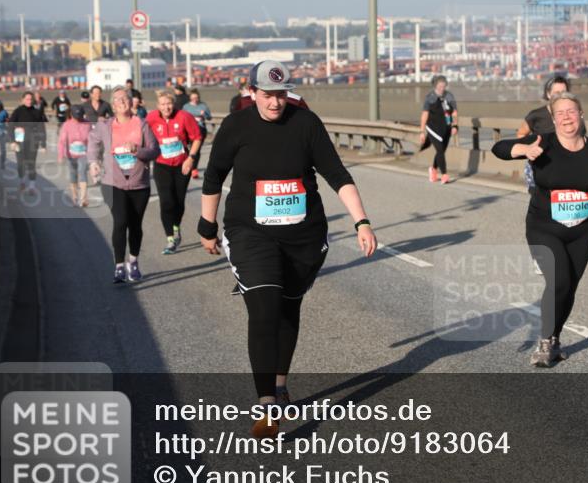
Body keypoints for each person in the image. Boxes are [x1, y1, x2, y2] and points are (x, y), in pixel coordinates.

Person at [199, 60, 377, 438]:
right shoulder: (236, 126)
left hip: (303, 236)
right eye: (267, 95)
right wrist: (207, 225)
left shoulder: (306, 124)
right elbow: (214, 176)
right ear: (252, 92)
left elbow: (336, 174)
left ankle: (279, 382)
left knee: (288, 306)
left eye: (281, 95)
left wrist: (362, 221)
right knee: (264, 305)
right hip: (251, 233)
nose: (275, 103)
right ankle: (266, 405)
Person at [491, 92, 588, 367]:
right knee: (559, 280)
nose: (567, 117)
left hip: (582, 229)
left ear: (581, 115)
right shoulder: (541, 142)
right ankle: (545, 342)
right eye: (561, 113)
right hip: (543, 225)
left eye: (572, 111)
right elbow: (499, 149)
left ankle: (555, 339)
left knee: (569, 288)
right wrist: (523, 150)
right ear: (553, 118)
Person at [87, 86, 159, 283]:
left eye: (125, 98)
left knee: (135, 225)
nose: (121, 102)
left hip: (139, 183)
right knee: (120, 222)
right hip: (112, 182)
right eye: (117, 99)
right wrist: (93, 162)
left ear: (131, 102)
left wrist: (138, 150)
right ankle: (119, 266)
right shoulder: (105, 126)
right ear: (113, 105)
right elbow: (93, 143)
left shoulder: (142, 124)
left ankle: (133, 262)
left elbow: (154, 151)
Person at [148, 89, 202, 254]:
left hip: (182, 164)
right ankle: (170, 238)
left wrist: (191, 158)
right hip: (161, 165)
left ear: (174, 104)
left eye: (169, 103)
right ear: (158, 106)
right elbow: (142, 135)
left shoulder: (184, 117)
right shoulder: (151, 118)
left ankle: (176, 226)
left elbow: (197, 138)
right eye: (163, 104)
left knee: (178, 201)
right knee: (166, 202)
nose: (166, 107)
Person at [516, 74, 580, 192]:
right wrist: (529, 150)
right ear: (548, 94)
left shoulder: (572, 116)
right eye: (556, 92)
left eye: (563, 92)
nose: (560, 96)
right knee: (542, 206)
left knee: (564, 207)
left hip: (566, 169)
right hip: (540, 168)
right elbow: (520, 134)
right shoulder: (536, 115)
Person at [418, 75, 458, 184]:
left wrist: (455, 125)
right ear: (435, 86)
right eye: (440, 86)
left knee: (442, 151)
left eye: (444, 85)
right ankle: (444, 174)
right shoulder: (430, 98)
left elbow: (454, 112)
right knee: (440, 150)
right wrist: (422, 131)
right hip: (432, 128)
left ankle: (433, 169)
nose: (442, 88)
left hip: (446, 127)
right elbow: (424, 114)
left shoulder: (449, 96)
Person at [8, 91, 48, 193]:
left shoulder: (36, 112)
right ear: (22, 100)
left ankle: (32, 186)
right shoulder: (17, 111)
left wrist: (43, 144)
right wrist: (12, 141)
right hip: (19, 141)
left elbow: (41, 128)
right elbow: (11, 126)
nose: (29, 101)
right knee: (21, 164)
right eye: (27, 99)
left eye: (31, 99)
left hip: (32, 141)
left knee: (31, 164)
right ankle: (22, 182)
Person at [58, 105, 92, 207]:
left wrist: (93, 154)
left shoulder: (87, 124)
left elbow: (92, 139)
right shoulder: (67, 125)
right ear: (71, 114)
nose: (78, 118)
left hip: (83, 154)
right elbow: (62, 141)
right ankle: (74, 196)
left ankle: (83, 198)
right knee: (73, 176)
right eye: (76, 116)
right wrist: (61, 155)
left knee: (82, 173)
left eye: (80, 116)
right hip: (70, 154)